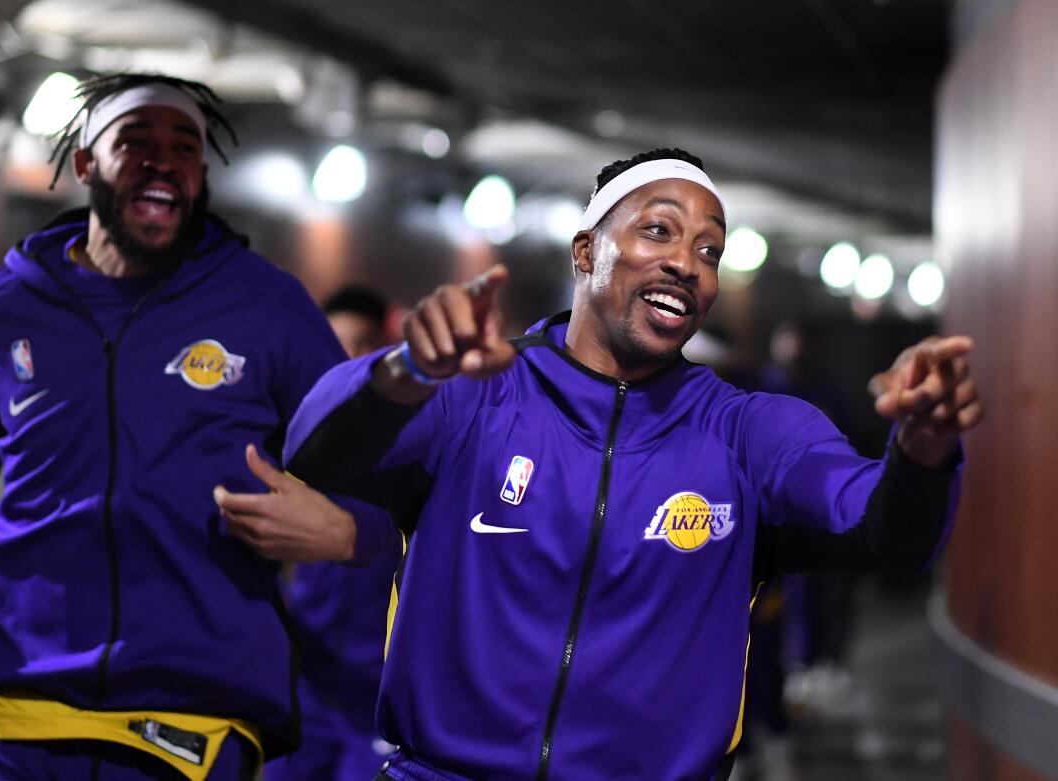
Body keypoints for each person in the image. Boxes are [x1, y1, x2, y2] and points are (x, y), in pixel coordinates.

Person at [281, 149, 983, 780]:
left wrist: (923, 444)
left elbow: (891, 531)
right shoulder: (478, 393)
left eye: (711, 250)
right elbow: (314, 452)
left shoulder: (745, 430)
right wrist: (409, 369)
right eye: (660, 230)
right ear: (586, 252)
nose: (687, 261)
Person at [0, 73, 395, 780]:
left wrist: (349, 533)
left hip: (189, 716)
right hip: (12, 707)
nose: (162, 160)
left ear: (201, 176)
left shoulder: (268, 310)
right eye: (135, 141)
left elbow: (385, 475)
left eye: (183, 147)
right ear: (85, 165)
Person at [264, 285, 402, 781]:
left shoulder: (418, 447)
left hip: (377, 699)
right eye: (337, 343)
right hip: (304, 690)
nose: (350, 357)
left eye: (363, 344)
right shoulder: (288, 448)